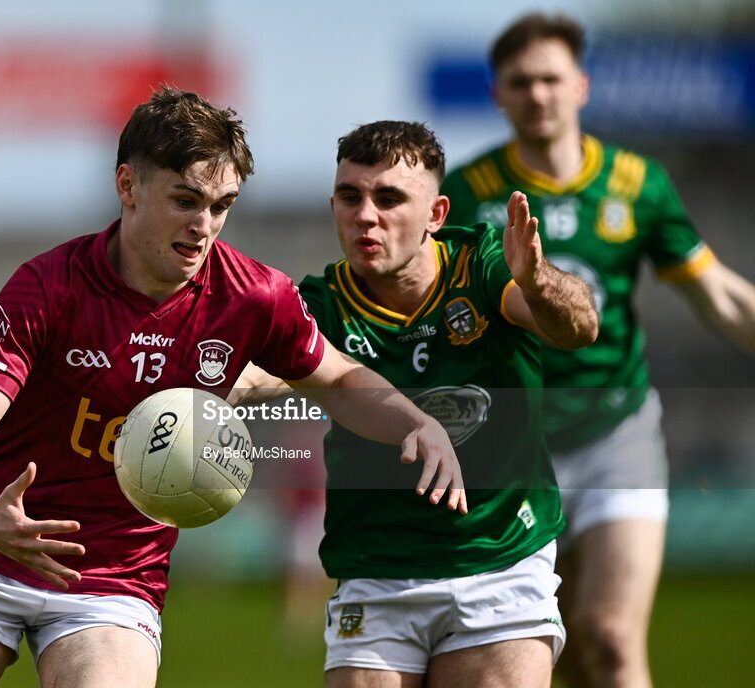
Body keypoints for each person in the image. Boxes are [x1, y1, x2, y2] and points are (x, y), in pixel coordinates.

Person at [0, 87, 468, 688]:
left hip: (113, 580)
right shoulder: (48, 287)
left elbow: (338, 379)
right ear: (128, 186)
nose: (204, 226)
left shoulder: (254, 298)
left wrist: (415, 423)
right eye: (186, 200)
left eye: (222, 206)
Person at [439, 14, 755, 688]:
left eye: (551, 79)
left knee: (609, 638)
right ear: (499, 94)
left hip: (617, 433)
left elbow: (721, 296)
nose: (538, 95)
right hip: (517, 450)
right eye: (521, 82)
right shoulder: (467, 193)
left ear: (581, 86)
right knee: (563, 649)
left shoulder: (638, 185)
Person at [236, 120, 598, 687]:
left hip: (500, 557)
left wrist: (540, 282)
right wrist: (193, 392)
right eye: (350, 197)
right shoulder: (319, 304)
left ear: (435, 213)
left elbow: (579, 328)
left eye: (389, 198)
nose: (366, 215)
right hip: (377, 570)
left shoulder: (481, 266)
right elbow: (259, 372)